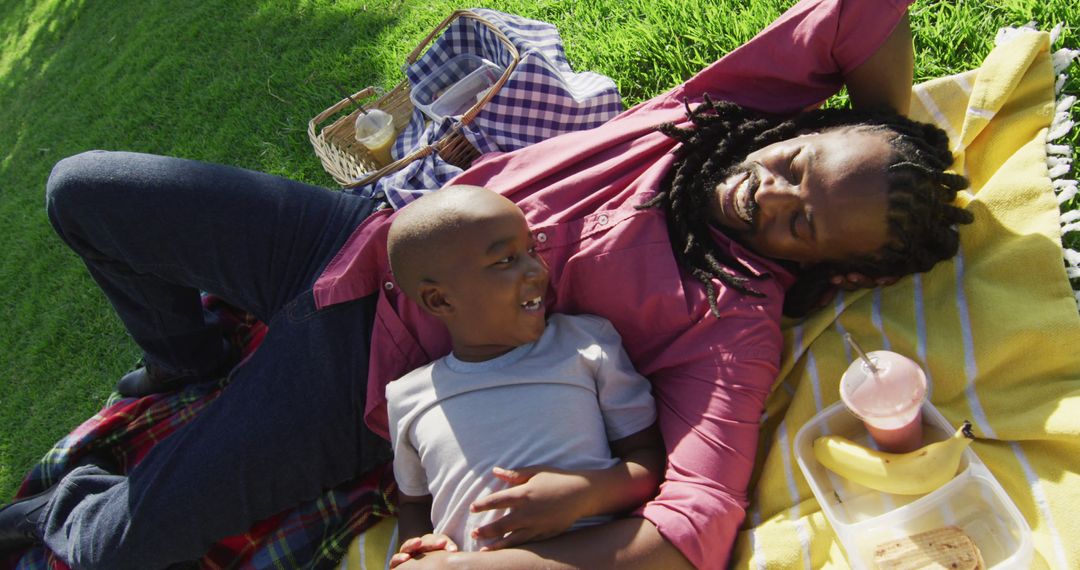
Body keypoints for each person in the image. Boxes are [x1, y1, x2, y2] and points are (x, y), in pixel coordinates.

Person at [0, 0, 973, 568]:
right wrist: (901, 142)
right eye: (802, 165)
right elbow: (863, 12)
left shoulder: (731, 316)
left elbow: (692, 529)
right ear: (803, 126)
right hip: (358, 243)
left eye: (801, 222)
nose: (772, 192)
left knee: (103, 549)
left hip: (362, 382)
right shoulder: (732, 107)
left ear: (824, 264)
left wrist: (515, 560)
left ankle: (78, 504)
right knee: (83, 192)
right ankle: (193, 358)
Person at [384, 185, 663, 565]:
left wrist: (584, 494)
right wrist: (417, 548)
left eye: (532, 250)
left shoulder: (584, 343)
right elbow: (414, 501)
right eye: (506, 260)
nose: (537, 269)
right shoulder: (409, 396)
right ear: (440, 300)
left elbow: (647, 460)